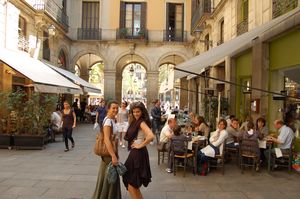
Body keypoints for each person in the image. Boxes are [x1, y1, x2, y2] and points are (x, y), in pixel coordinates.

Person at [123, 102, 154, 199]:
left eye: (138, 111)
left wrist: (140, 145)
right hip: (136, 153)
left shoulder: (141, 122)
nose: (136, 114)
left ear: (142, 112)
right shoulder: (135, 121)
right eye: (134, 112)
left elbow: (151, 136)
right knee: (133, 183)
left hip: (138, 153)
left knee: (132, 183)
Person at [91, 100, 121, 199]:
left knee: (107, 175)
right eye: (113, 108)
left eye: (117, 108)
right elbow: (107, 139)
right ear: (108, 109)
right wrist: (113, 155)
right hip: (109, 153)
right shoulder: (108, 121)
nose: (115, 110)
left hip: (111, 151)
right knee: (111, 176)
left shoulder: (111, 119)